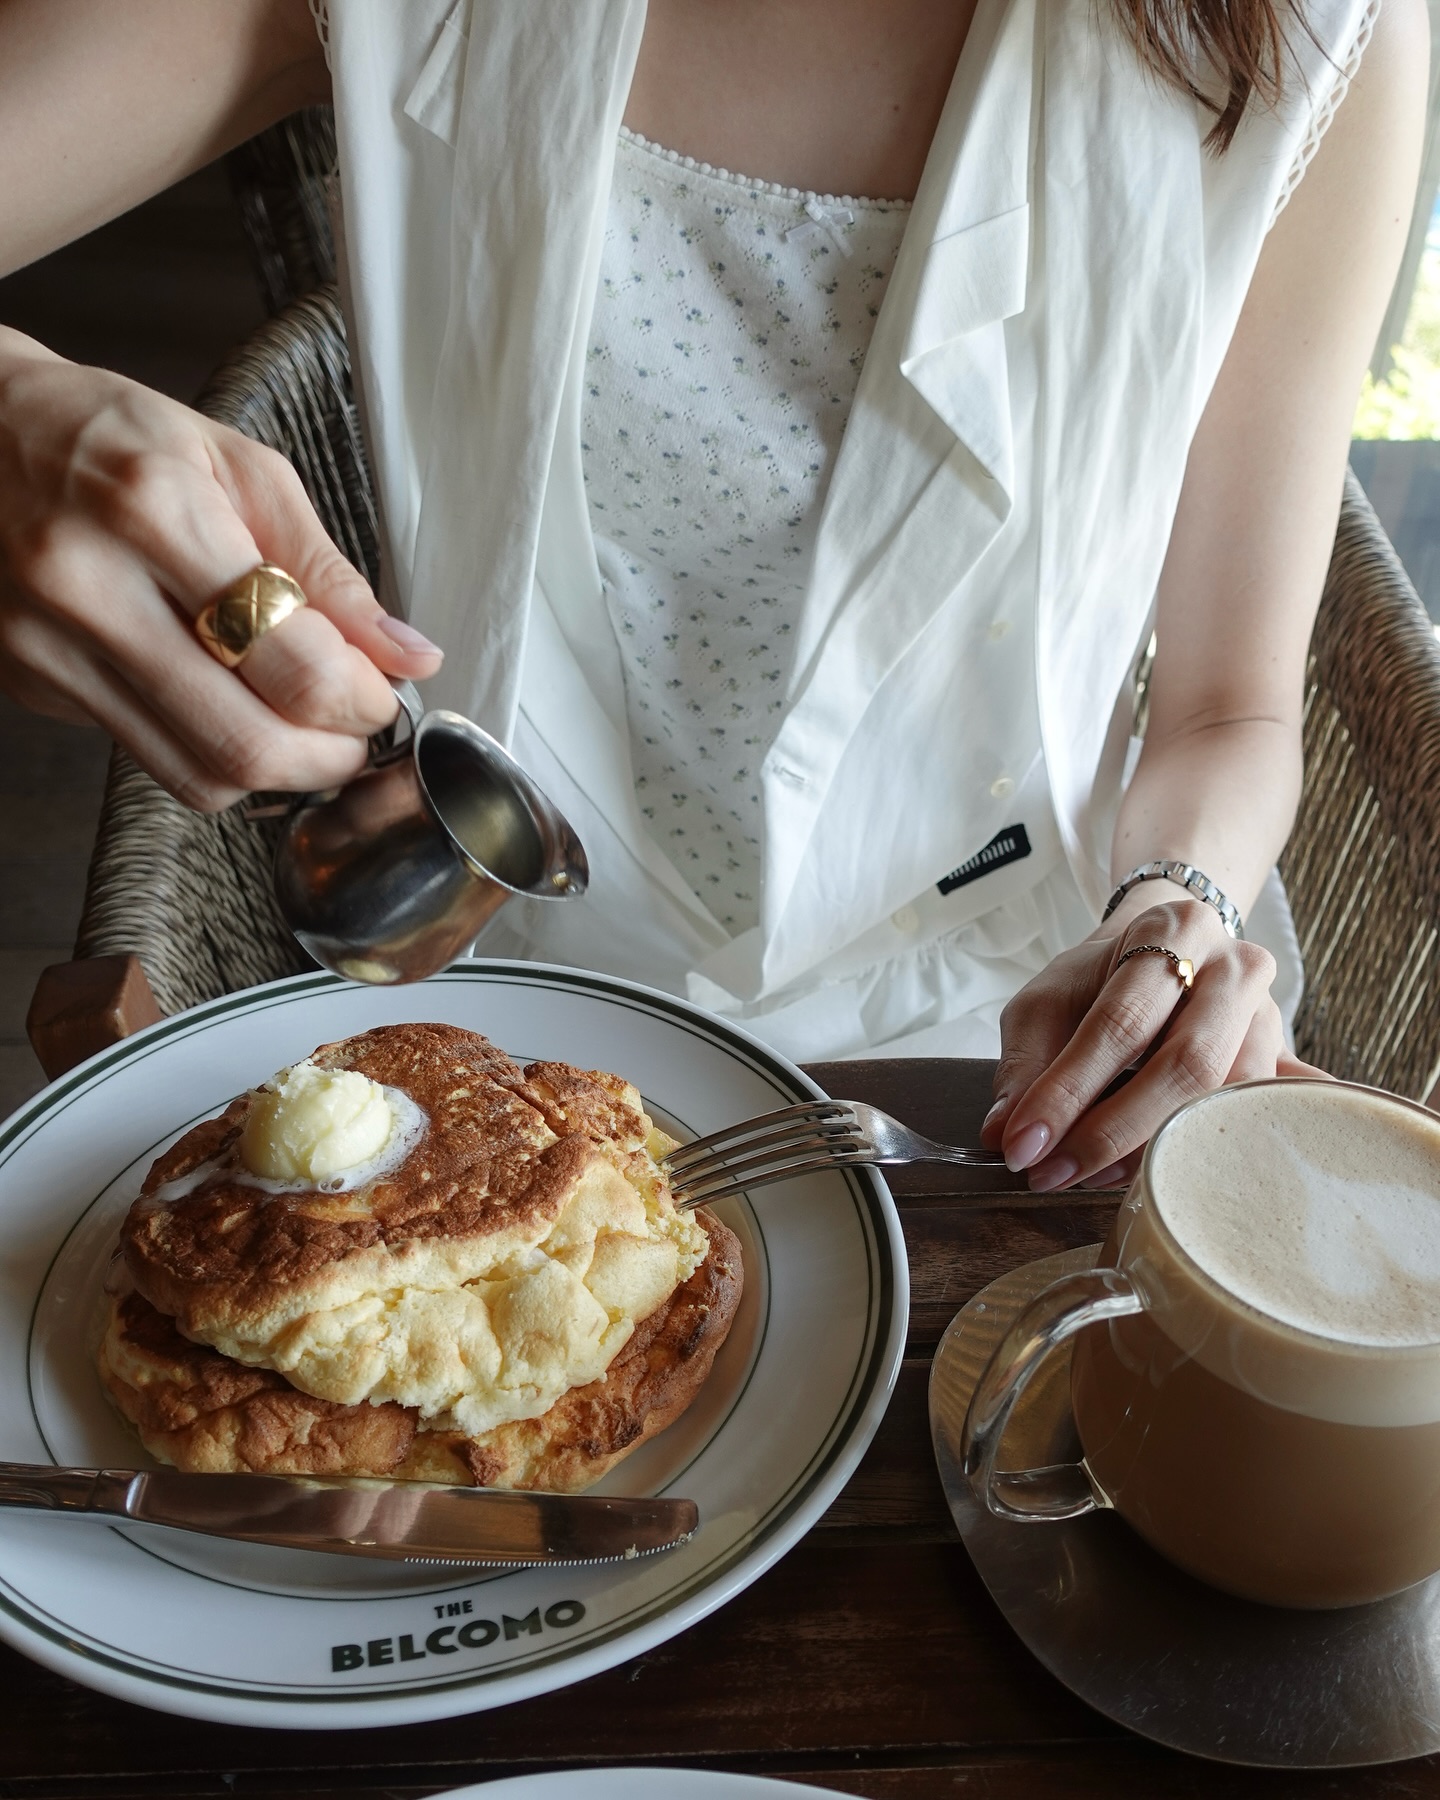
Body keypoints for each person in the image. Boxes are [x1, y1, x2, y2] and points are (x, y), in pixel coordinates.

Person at [0, 0, 1425, 1192]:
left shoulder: (1317, 29)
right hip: (520, 1034)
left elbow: (1230, 711)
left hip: (1029, 1059)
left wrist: (1169, 905)